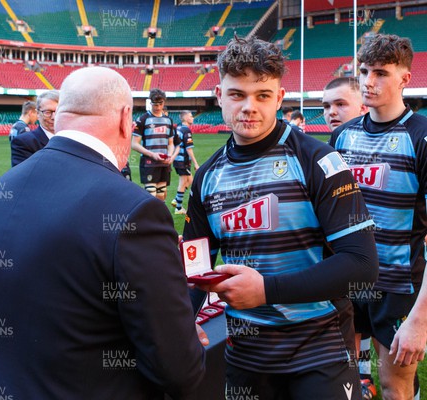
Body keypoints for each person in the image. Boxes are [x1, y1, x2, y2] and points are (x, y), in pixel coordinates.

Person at [0, 67, 206, 399]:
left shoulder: (1, 188)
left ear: (62, 113)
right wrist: (179, 335)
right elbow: (178, 370)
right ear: (126, 118)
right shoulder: (135, 209)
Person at [183, 36, 379, 399]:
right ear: (219, 95)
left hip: (320, 348)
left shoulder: (319, 162)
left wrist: (266, 291)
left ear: (279, 97)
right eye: (237, 94)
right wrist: (181, 324)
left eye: (262, 95)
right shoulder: (206, 177)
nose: (249, 107)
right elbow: (196, 269)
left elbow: (362, 265)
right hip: (245, 352)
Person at [329, 33, 427, 400]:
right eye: (365, 71)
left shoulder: (421, 137)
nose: (369, 82)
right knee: (345, 383)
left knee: (394, 385)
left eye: (381, 73)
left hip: (398, 285)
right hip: (346, 278)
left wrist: (421, 318)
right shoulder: (340, 137)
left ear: (405, 79)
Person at [322, 77, 376, 399]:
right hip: (343, 252)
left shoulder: (378, 143)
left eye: (340, 104)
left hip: (384, 255)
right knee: (353, 319)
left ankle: (367, 374)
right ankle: (361, 377)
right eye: (326, 106)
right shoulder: (330, 147)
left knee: (372, 322)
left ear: (363, 106)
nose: (331, 112)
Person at [131, 88, 178, 201]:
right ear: (150, 102)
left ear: (164, 102)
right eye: (154, 104)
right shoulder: (142, 120)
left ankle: (159, 219)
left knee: (161, 196)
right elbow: (134, 144)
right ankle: (149, 218)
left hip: (164, 163)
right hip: (149, 163)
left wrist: (170, 156)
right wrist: (152, 154)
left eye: (160, 104)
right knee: (151, 195)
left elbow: (171, 143)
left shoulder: (168, 120)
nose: (157, 107)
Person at [10, 90, 59, 166]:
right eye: (48, 112)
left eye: (58, 111)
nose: (54, 117)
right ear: (38, 114)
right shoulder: (24, 143)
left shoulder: (72, 139)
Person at [170, 111, 199, 215]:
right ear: (186, 118)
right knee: (183, 182)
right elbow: (189, 149)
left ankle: (176, 199)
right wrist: (196, 163)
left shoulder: (178, 128)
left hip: (178, 160)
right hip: (183, 161)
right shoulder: (186, 130)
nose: (193, 118)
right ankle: (178, 208)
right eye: (191, 116)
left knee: (190, 180)